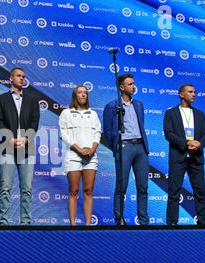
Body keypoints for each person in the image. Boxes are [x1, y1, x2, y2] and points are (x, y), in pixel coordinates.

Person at [0, 67, 40, 225]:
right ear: (11, 78)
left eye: (24, 76)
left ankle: (25, 222)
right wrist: (9, 138)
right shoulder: (1, 99)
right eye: (19, 76)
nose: (22, 78)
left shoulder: (32, 100)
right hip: (8, 147)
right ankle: (3, 222)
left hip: (27, 149)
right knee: (5, 187)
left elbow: (35, 122)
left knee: (26, 188)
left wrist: (27, 138)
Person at [103, 74, 149, 226]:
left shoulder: (139, 104)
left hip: (141, 147)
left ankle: (144, 221)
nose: (133, 86)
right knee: (121, 187)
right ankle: (119, 220)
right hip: (124, 147)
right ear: (121, 87)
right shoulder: (112, 106)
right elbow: (108, 132)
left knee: (143, 187)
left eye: (133, 83)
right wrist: (116, 147)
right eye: (129, 84)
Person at [164, 83, 205, 226]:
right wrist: (186, 143)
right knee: (174, 193)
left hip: (196, 158)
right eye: (190, 92)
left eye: (194, 92)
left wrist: (199, 143)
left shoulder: (200, 114)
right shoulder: (171, 113)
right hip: (178, 157)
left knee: (200, 193)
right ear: (181, 94)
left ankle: (203, 224)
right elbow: (169, 134)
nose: (194, 94)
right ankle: (171, 225)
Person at [59, 86, 101, 226]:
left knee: (88, 191)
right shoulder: (66, 113)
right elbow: (63, 134)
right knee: (74, 191)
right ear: (75, 95)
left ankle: (88, 225)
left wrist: (92, 148)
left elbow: (98, 133)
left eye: (85, 93)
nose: (83, 95)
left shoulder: (93, 114)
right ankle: (73, 226)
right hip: (73, 155)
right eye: (80, 93)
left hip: (91, 156)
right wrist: (78, 149)